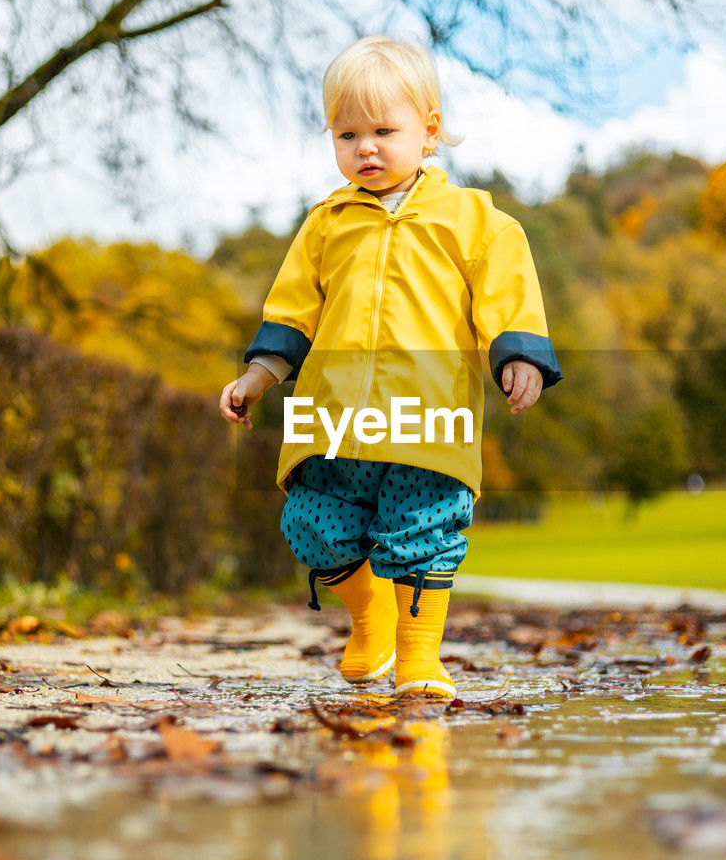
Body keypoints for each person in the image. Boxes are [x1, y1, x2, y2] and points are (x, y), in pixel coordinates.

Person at [220, 35, 562, 700]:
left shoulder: (472, 220)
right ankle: (369, 617)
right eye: (346, 134)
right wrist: (257, 375)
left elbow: (507, 290)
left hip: (424, 418)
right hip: (335, 421)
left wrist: (518, 354)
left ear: (428, 132)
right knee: (310, 521)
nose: (364, 148)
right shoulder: (325, 223)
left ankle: (418, 656)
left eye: (382, 130)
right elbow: (293, 311)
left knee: (419, 533)